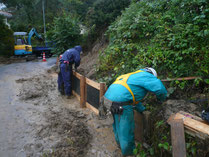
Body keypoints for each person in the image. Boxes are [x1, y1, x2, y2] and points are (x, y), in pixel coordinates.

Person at [102, 67, 167, 156]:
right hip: (121, 103)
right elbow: (160, 89)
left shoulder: (130, 76)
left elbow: (132, 97)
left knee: (116, 126)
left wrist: (142, 110)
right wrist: (162, 100)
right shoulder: (147, 75)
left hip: (107, 100)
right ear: (152, 74)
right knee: (126, 132)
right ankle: (129, 153)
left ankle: (119, 146)